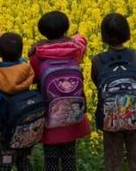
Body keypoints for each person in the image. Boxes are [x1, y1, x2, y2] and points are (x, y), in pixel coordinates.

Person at [28, 11, 90, 171]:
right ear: (66, 29)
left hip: (50, 116)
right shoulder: (75, 50)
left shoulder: (37, 55)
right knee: (70, 156)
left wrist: (39, 44)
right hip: (72, 114)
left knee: (51, 159)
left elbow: (34, 78)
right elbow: (82, 38)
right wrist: (70, 39)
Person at [91, 13, 136, 171]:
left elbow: (97, 82)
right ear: (127, 33)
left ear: (103, 36)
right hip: (135, 116)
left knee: (112, 160)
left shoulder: (97, 60)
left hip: (111, 118)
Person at [0, 32, 37, 171]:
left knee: (4, 163)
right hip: (26, 128)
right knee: (24, 162)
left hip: (3, 131)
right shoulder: (25, 69)